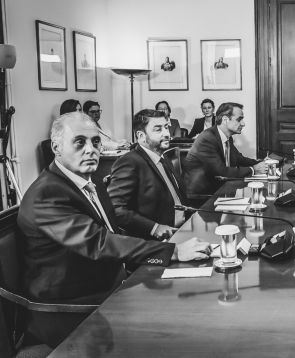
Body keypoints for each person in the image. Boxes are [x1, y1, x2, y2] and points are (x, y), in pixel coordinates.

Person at [17, 112, 210, 347]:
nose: (91, 150)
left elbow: (113, 232)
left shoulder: (90, 181)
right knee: (177, 333)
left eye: (96, 142)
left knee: (191, 303)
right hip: (72, 306)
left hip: (110, 282)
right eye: (79, 142)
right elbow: (100, 243)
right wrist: (174, 251)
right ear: (56, 148)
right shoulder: (46, 195)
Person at [108, 109, 186, 240]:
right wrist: (154, 228)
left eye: (166, 127)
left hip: (182, 229)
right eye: (158, 129)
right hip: (155, 240)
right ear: (141, 136)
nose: (167, 133)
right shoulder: (129, 162)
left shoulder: (163, 156)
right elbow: (115, 209)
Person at [184, 102, 267, 195]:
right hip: (203, 195)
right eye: (239, 119)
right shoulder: (207, 138)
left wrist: (260, 162)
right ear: (225, 120)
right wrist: (253, 169)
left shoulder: (227, 137)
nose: (243, 124)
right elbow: (221, 171)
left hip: (220, 187)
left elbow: (238, 158)